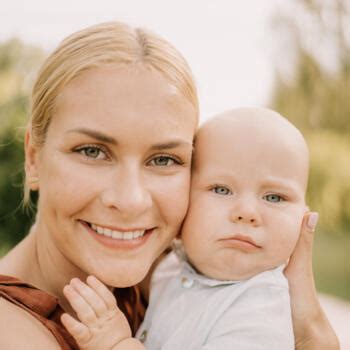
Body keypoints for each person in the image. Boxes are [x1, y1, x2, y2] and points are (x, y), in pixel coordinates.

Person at [0, 21, 339, 350]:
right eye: (92, 151)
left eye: (163, 160)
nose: (131, 200)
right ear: (33, 157)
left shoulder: (173, 272)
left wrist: (311, 330)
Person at [60, 107, 333, 349]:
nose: (247, 213)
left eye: (274, 197)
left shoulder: (260, 311)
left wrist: (117, 344)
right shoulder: (172, 266)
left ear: (303, 216)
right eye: (221, 189)